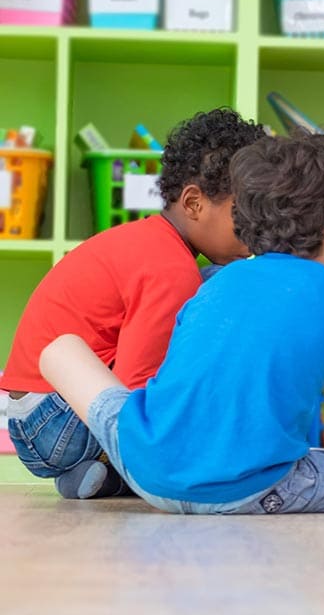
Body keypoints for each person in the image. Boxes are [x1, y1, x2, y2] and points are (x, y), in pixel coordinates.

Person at [39, 129, 324, 514]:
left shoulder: (212, 280)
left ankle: (106, 475)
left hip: (147, 465)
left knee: (61, 350)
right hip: (252, 489)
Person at [2, 108, 265, 499]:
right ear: (193, 203)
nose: (254, 236)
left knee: (218, 285)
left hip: (36, 420)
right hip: (54, 422)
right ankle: (133, 471)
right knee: (225, 287)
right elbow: (135, 388)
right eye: (244, 219)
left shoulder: (151, 243)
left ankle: (97, 476)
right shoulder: (170, 269)